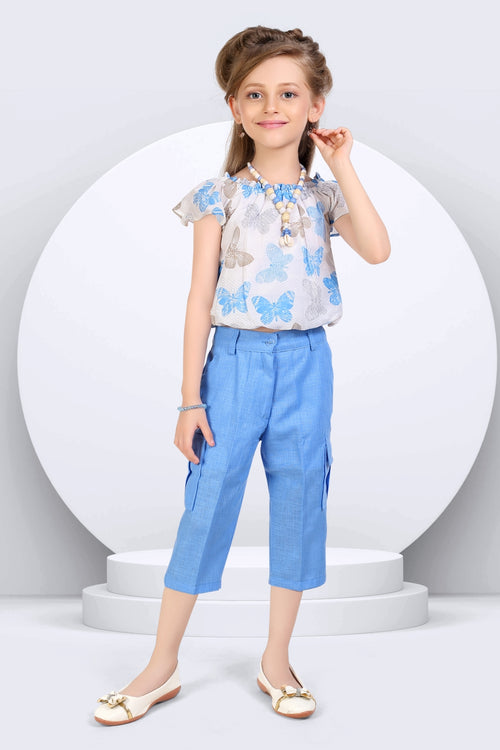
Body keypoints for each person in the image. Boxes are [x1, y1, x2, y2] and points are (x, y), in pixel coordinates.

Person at [94, 25, 390, 725]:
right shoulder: (217, 195)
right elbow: (199, 299)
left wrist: (342, 164)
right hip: (233, 363)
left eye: (289, 93)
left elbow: (378, 250)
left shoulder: (325, 199)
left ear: (315, 106)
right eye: (254, 94)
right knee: (208, 503)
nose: (271, 106)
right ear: (234, 106)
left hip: (307, 363)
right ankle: (161, 666)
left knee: (300, 500)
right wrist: (188, 400)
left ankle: (276, 662)